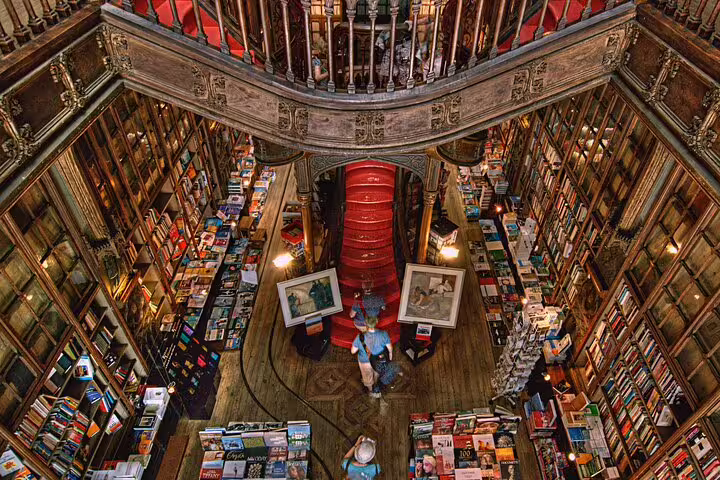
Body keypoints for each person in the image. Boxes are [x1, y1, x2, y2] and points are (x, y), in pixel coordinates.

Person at [351, 316, 392, 398]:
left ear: (366, 324)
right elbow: (390, 349)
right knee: (376, 373)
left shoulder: (360, 337)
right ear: (376, 322)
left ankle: (371, 391)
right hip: (378, 360)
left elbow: (353, 351)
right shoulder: (384, 334)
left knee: (367, 377)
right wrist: (390, 358)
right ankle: (376, 386)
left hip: (365, 361)